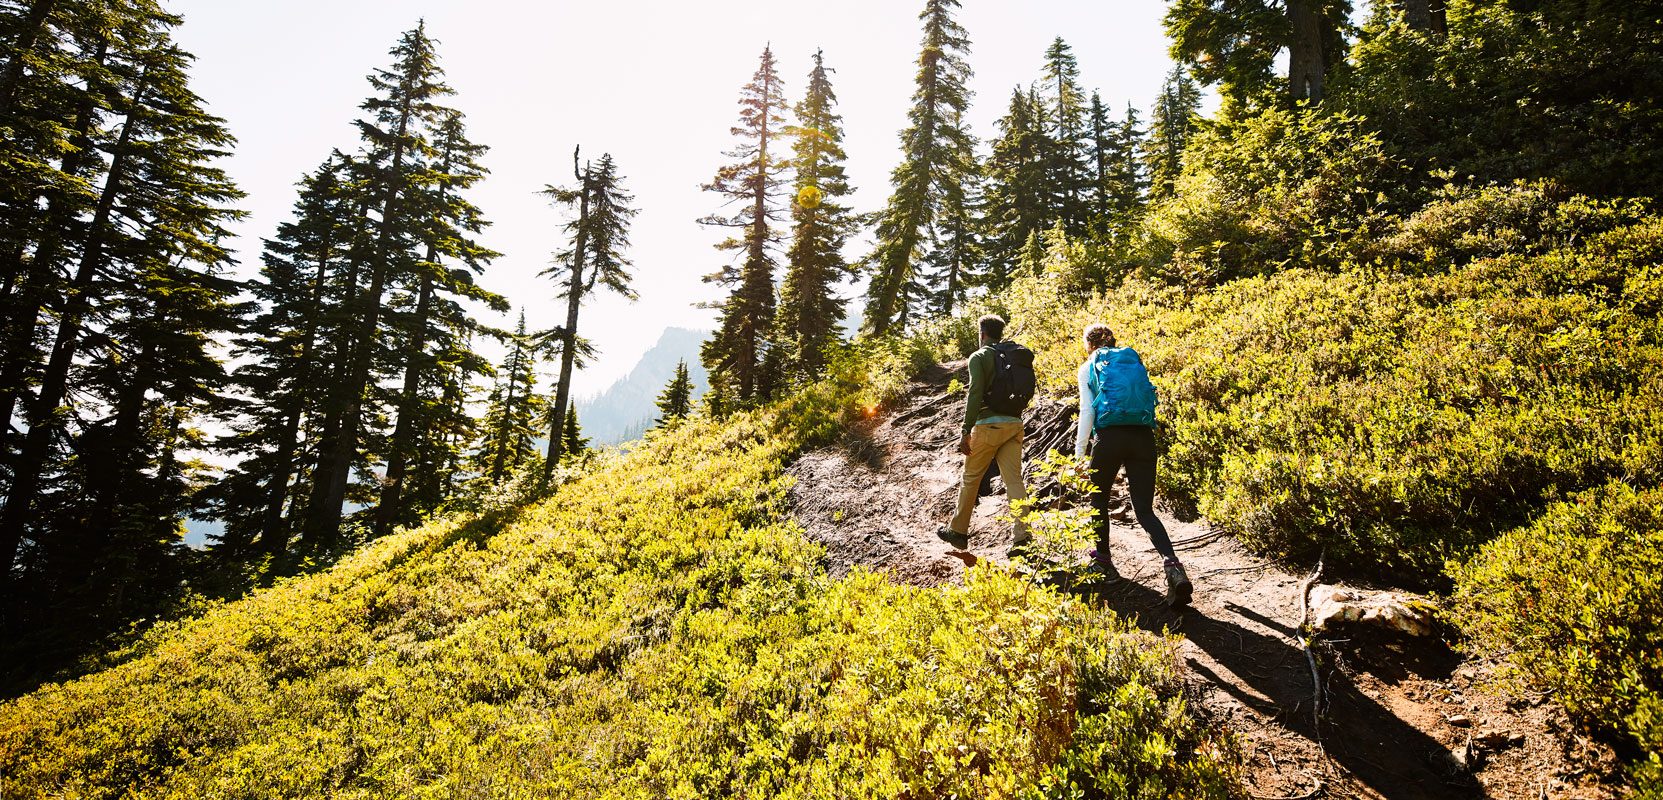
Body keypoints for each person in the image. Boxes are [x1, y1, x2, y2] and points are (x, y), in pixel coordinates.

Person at [1075, 322, 1193, 607]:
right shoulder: (1131, 359)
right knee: (1144, 509)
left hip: (1109, 439)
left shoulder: (1088, 366)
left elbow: (1088, 410)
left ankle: (1103, 561)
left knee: (1098, 501)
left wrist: (1080, 452)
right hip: (1142, 437)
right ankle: (1173, 567)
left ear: (1088, 344)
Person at [937, 315, 1033, 554]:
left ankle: (958, 532)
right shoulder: (1012, 355)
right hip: (1014, 424)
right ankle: (1022, 540)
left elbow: (975, 392)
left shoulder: (979, 357)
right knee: (1014, 480)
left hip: (988, 426)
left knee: (971, 478)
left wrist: (965, 430)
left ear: (982, 333)